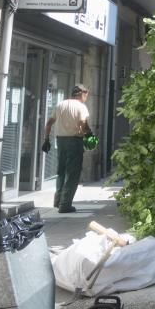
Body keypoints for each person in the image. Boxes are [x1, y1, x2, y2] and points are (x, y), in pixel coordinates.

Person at [42, 83, 91, 213]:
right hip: (75, 141)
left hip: (61, 141)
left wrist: (46, 139)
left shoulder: (60, 105)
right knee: (73, 174)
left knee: (61, 172)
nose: (87, 97)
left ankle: (57, 201)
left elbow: (49, 123)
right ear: (81, 94)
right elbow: (83, 124)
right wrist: (89, 136)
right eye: (86, 94)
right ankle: (65, 205)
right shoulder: (81, 106)